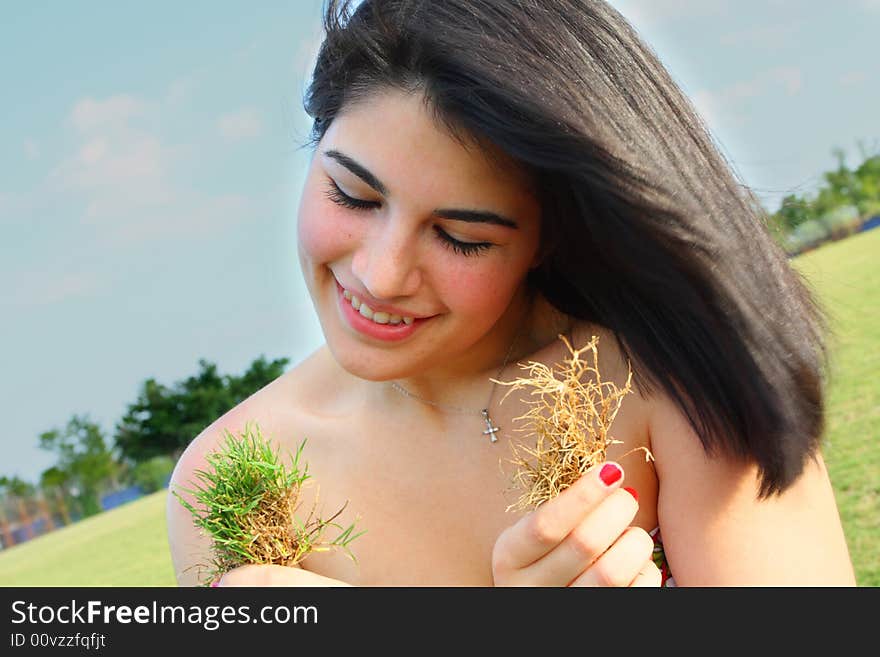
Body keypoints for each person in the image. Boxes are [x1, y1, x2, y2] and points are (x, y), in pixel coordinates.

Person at [166, 0, 856, 587]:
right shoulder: (230, 483)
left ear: (548, 235)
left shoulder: (677, 380)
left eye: (462, 236)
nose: (380, 275)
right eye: (352, 194)